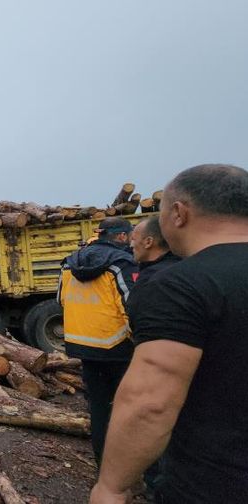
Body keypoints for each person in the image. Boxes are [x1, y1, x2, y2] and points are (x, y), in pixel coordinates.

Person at [91, 164, 248, 503]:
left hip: (215, 485)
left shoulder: (180, 286)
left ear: (178, 213)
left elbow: (150, 402)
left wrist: (112, 488)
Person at [57, 217, 138, 465]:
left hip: (84, 346)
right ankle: (129, 464)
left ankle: (103, 462)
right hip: (119, 346)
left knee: (99, 409)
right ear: (122, 237)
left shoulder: (69, 263)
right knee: (129, 407)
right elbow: (132, 305)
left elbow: (61, 299)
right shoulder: (121, 263)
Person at [126, 216, 181, 494]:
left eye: (134, 237)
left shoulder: (161, 281)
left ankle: (158, 482)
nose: (130, 242)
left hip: (160, 373)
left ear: (149, 241)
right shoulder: (175, 271)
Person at [128, 216, 181, 291]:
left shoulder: (150, 280)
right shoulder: (185, 267)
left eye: (134, 239)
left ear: (148, 242)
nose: (131, 245)